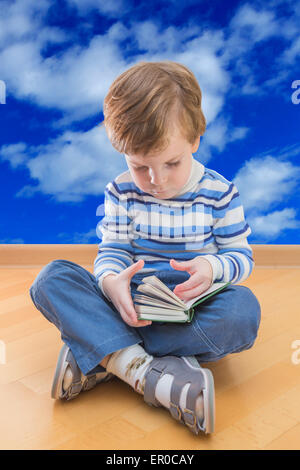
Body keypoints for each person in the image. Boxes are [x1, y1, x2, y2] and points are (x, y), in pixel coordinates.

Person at [29, 61, 261, 435]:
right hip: (130, 303)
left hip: (190, 306)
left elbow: (240, 256)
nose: (156, 181)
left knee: (243, 311)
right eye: (140, 167)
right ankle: (149, 370)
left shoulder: (220, 193)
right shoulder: (121, 191)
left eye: (172, 163)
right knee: (51, 279)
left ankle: (104, 353)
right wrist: (109, 282)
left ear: (195, 139)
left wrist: (211, 268)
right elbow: (113, 249)